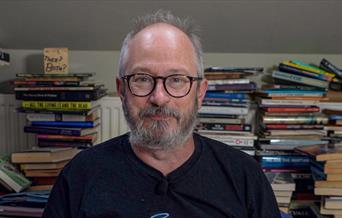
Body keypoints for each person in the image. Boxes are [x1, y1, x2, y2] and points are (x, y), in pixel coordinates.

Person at [42, 10, 280, 218]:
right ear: (122, 90)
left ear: (200, 92)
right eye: (142, 79)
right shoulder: (80, 175)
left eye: (177, 80)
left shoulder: (244, 176)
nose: (158, 97)